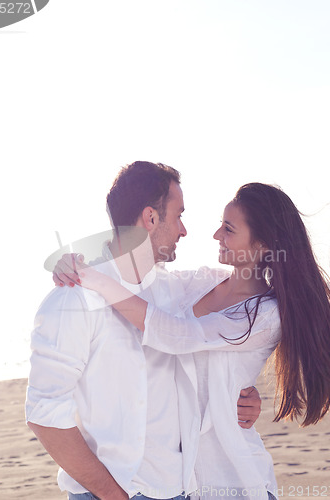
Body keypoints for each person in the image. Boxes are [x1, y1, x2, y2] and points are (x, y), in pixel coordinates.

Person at [55, 182, 330, 500]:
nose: (216, 235)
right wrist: (82, 266)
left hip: (235, 480)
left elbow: (176, 335)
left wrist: (92, 278)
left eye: (229, 229)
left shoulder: (265, 314)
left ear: (263, 245)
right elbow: (140, 282)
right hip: (185, 482)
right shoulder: (201, 282)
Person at [26, 161, 261, 500]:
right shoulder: (73, 298)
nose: (184, 230)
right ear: (151, 218)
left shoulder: (180, 291)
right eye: (178, 215)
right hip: (110, 494)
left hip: (184, 490)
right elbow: (44, 413)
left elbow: (248, 295)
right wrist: (113, 495)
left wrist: (244, 394)